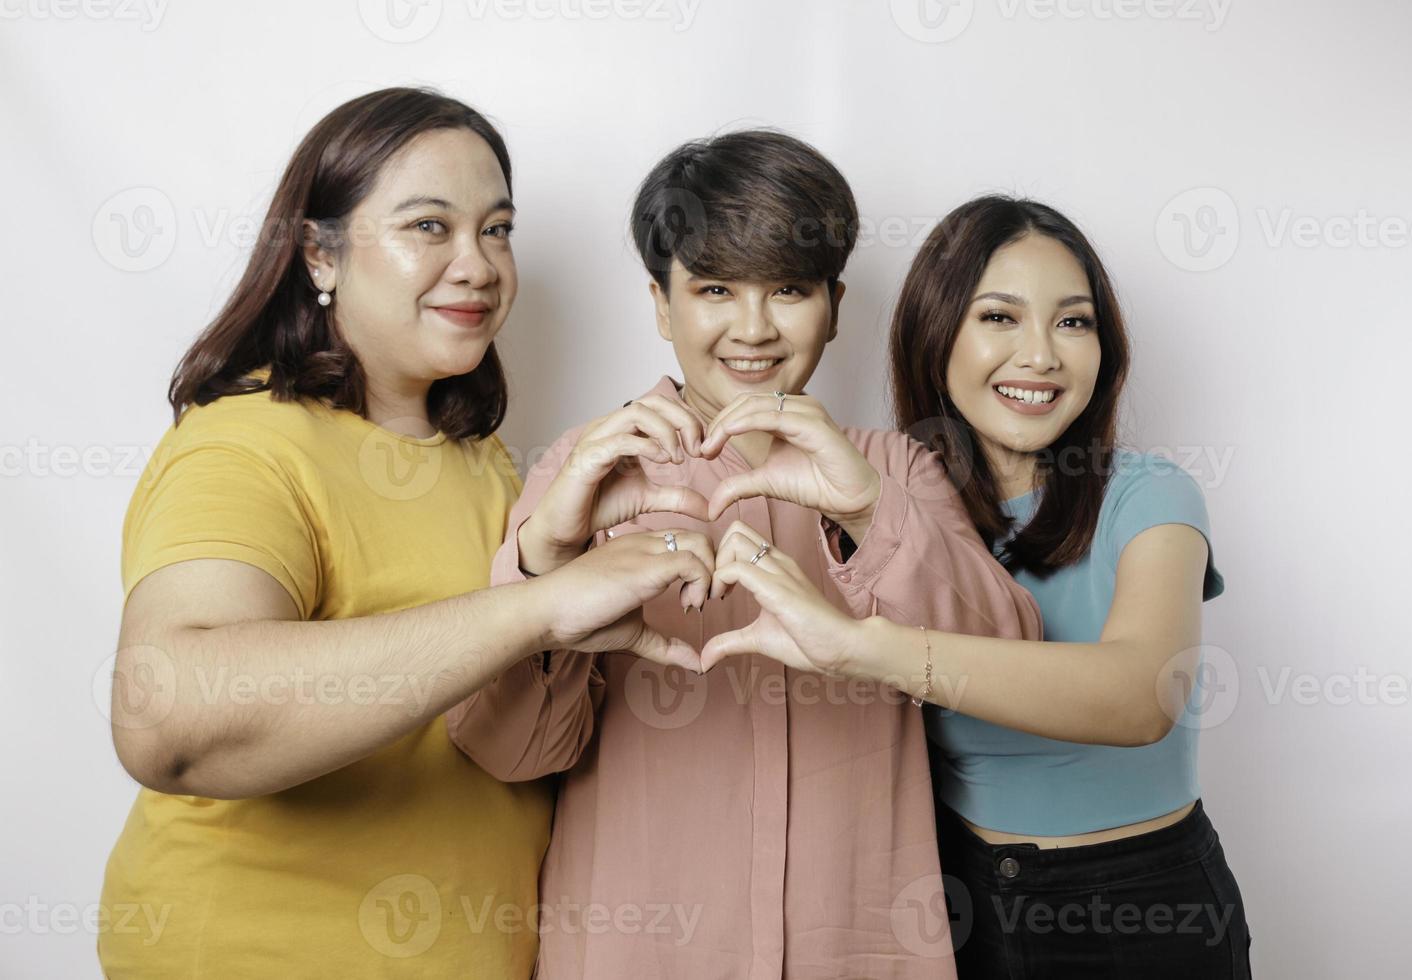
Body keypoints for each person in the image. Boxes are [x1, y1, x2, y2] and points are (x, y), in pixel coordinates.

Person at [98, 87, 710, 978]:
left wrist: (557, 557)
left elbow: (505, 745)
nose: (478, 265)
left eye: (496, 228)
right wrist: (542, 606)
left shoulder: (484, 462)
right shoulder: (243, 443)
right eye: (429, 226)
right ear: (319, 253)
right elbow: (167, 718)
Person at [447, 132, 1042, 979]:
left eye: (790, 290)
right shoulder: (584, 470)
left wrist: (869, 509)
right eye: (715, 288)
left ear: (835, 304)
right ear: (661, 304)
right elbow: (507, 749)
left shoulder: (900, 468)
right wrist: (547, 562)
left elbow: (1008, 678)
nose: (754, 328)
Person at [698, 196, 1253, 977]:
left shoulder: (1149, 494)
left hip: (1135, 903)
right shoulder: (893, 507)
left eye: (1073, 322)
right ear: (937, 334)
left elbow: (1142, 695)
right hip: (947, 898)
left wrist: (867, 650)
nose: (1042, 356)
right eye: (999, 318)